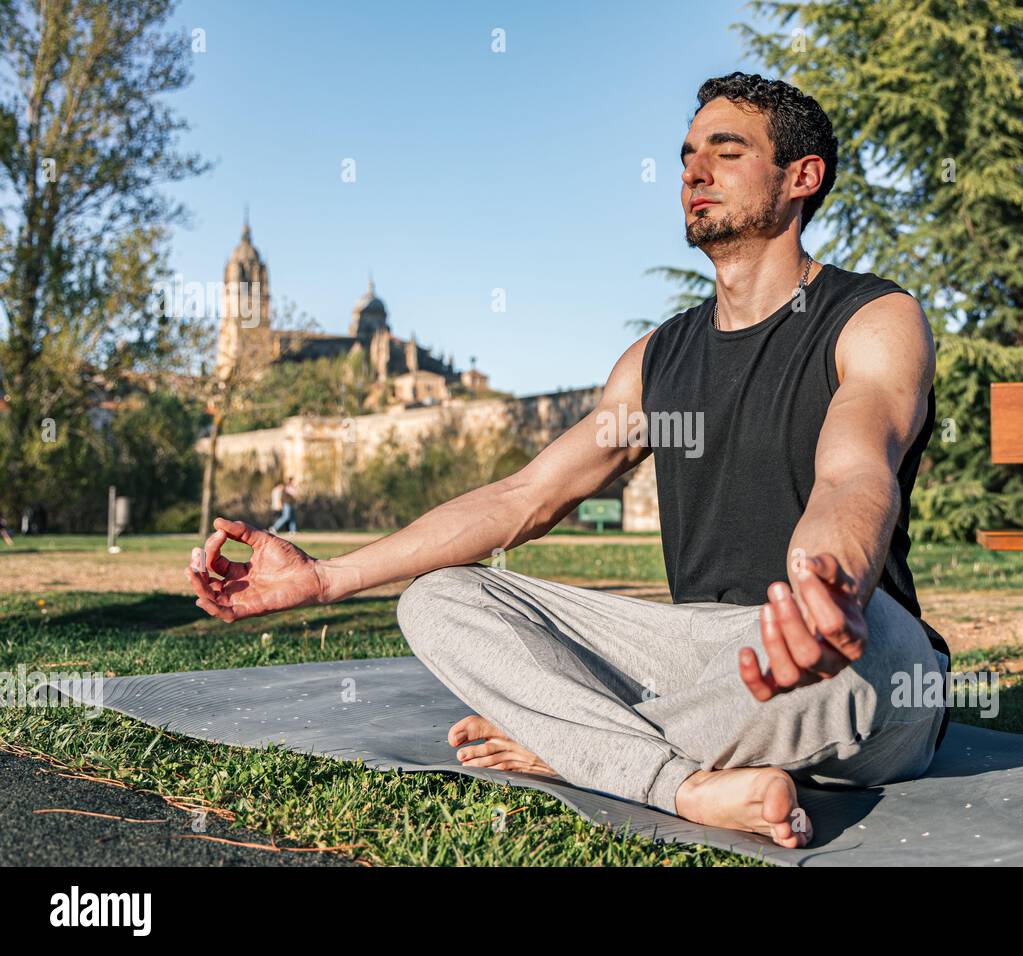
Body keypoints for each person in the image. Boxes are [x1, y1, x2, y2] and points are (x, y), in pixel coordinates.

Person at [188, 72, 950, 849]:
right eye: (687, 155)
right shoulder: (658, 358)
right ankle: (677, 779)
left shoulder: (874, 317)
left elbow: (853, 470)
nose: (692, 172)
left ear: (801, 177)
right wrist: (325, 577)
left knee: (886, 649)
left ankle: (583, 751)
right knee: (437, 600)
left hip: (841, 652)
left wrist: (830, 582)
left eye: (725, 152)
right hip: (689, 651)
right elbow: (525, 497)